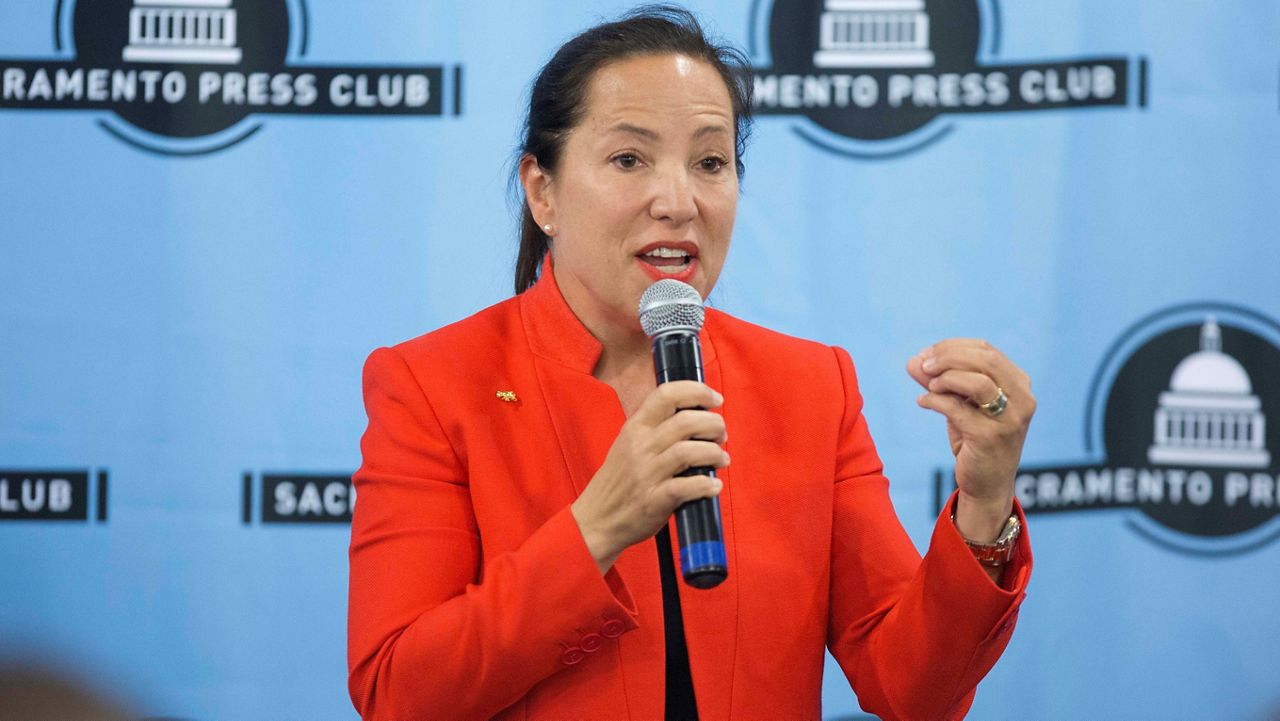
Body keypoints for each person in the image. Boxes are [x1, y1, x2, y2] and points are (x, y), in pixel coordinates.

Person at [347, 5, 1034, 720]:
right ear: (542, 191)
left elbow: (911, 688)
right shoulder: (431, 384)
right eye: (628, 159)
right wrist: (595, 531)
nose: (678, 202)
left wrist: (985, 506)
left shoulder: (808, 386)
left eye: (710, 162)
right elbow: (398, 691)